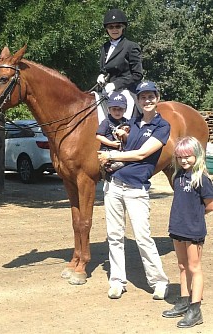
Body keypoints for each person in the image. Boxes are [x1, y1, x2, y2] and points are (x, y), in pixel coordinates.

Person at [97, 81, 170, 300]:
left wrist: (110, 156)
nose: (147, 100)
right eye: (143, 97)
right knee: (115, 236)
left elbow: (141, 155)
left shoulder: (161, 126)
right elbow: (126, 143)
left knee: (142, 236)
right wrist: (121, 136)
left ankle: (159, 281)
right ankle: (117, 280)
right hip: (114, 186)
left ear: (157, 98)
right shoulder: (133, 123)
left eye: (151, 96)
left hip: (136, 189)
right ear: (137, 101)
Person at [162, 136, 213, 328]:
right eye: (180, 157)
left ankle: (195, 308)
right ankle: (184, 300)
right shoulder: (177, 177)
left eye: (188, 156)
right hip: (177, 227)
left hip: (193, 230)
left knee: (194, 267)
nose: (184, 160)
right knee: (182, 266)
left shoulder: (202, 179)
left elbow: (210, 205)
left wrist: (196, 215)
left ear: (197, 156)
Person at [97, 8, 143, 118]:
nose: (114, 29)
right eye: (110, 27)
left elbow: (137, 75)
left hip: (126, 91)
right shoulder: (105, 47)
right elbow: (104, 69)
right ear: (106, 29)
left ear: (123, 27)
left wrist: (115, 84)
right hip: (106, 90)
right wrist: (101, 76)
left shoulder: (131, 47)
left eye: (117, 26)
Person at [96, 91, 130, 172]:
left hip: (120, 150)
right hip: (108, 149)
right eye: (114, 109)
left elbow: (129, 138)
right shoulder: (106, 122)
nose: (117, 112)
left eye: (120, 109)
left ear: (125, 110)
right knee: (123, 163)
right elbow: (98, 136)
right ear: (109, 109)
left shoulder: (127, 122)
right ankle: (107, 167)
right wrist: (111, 143)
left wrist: (125, 134)